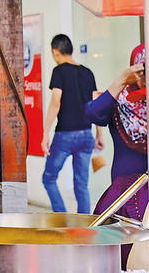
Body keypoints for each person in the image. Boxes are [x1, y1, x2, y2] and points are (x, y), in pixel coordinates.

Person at [86, 44, 147, 270]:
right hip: (125, 195)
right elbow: (92, 113)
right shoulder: (120, 101)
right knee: (120, 255)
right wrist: (120, 80)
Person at [41, 34, 100, 213]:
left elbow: (55, 102)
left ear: (55, 52)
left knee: (49, 178)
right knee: (81, 185)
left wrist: (45, 133)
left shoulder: (59, 71)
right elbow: (96, 104)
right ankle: (86, 228)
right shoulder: (87, 72)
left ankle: (61, 217)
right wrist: (99, 134)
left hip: (65, 135)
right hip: (86, 134)